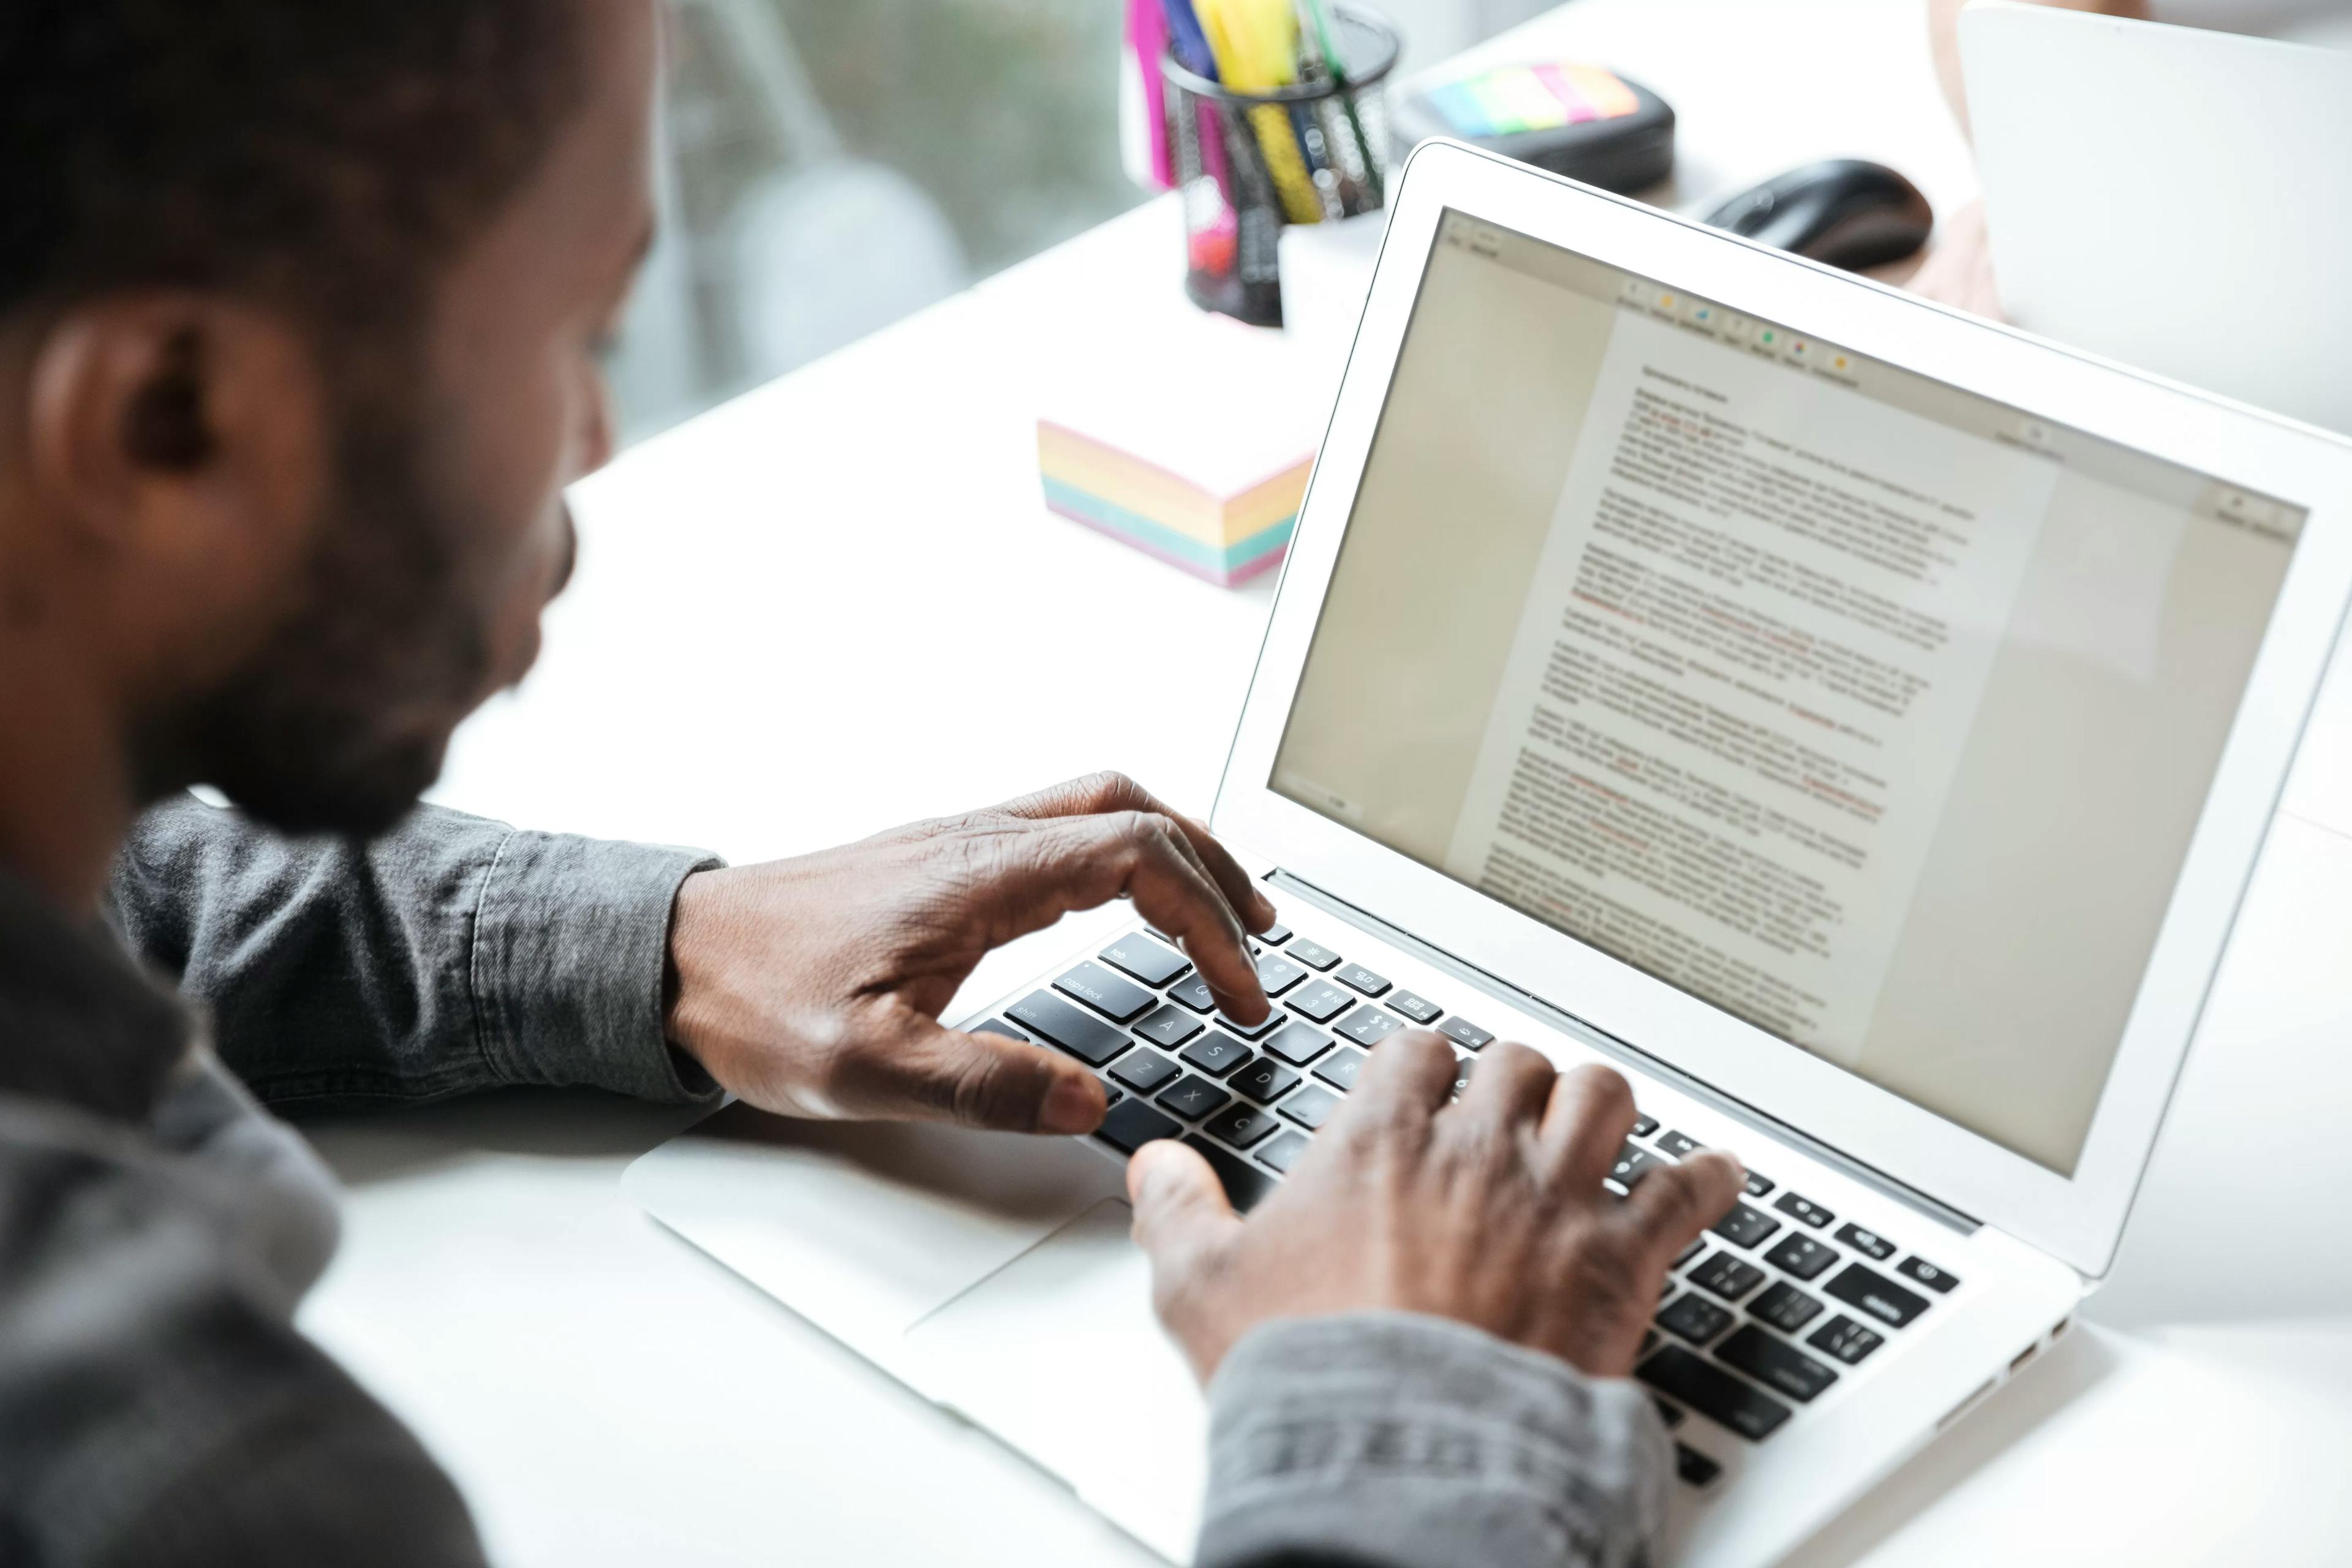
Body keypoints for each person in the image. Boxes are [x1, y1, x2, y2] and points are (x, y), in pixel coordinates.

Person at [0, 2, 1746, 1564]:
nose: (594, 442)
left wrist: (667, 944)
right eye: (578, 333)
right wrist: (1407, 1431)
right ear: (167, 421)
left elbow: (110, 895)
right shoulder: (191, 1488)